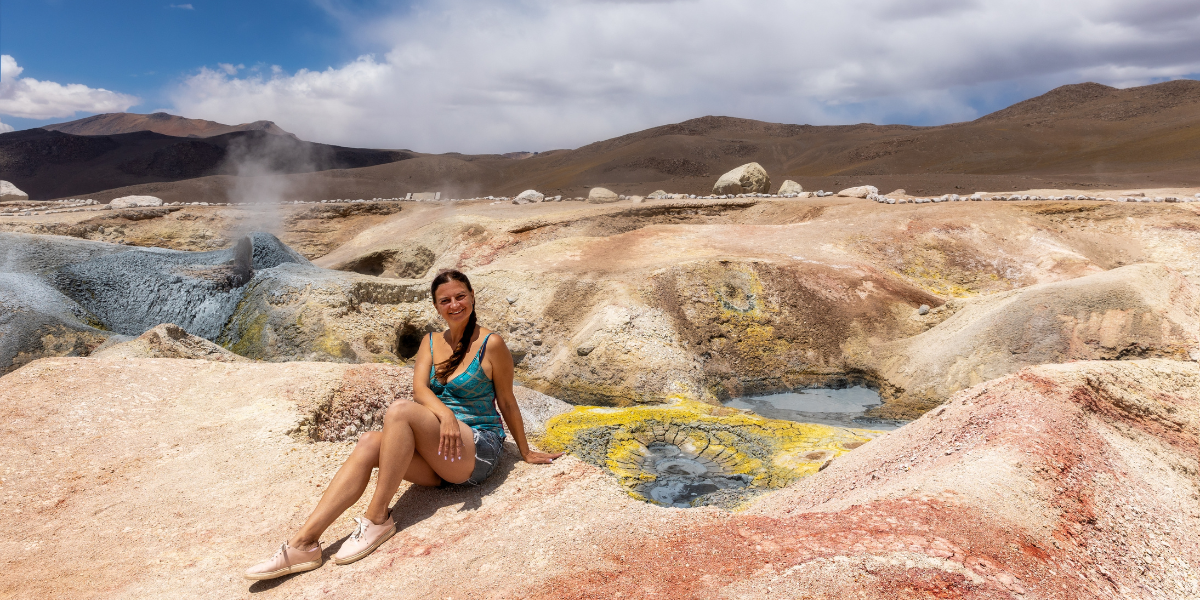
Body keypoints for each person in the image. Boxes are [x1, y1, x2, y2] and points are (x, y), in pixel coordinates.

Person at [245, 269, 562, 580]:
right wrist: (446, 416)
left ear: (472, 297)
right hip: (440, 456)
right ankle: (304, 543)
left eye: (460, 296)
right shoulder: (430, 341)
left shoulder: (492, 344)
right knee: (370, 442)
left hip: (475, 450)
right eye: (445, 300)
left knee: (399, 411)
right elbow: (421, 389)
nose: (454, 305)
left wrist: (525, 451)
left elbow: (506, 400)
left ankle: (377, 517)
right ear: (437, 306)